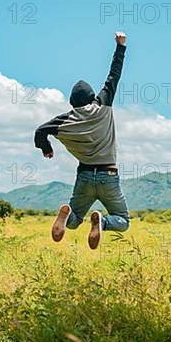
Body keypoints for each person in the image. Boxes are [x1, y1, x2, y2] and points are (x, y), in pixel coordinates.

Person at [34, 32, 130, 249]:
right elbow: (114, 75)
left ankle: (66, 217)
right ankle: (103, 222)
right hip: (109, 174)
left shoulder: (65, 120)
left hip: (84, 176)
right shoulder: (102, 106)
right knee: (123, 221)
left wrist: (46, 148)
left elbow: (40, 131)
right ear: (91, 96)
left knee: (76, 219)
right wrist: (120, 46)